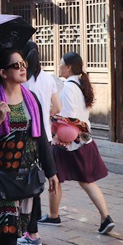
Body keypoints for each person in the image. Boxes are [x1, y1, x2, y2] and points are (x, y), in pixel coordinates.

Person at [0, 49, 58, 245]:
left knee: (16, 229)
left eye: (24, 64)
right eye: (16, 65)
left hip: (26, 175)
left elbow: (40, 137)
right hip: (0, 176)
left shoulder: (32, 99)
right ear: (3, 72)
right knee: (9, 230)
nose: (23, 68)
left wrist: (51, 171)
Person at [39, 51, 115, 235]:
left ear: (69, 67)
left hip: (67, 143)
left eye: (60, 63)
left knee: (54, 178)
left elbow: (68, 117)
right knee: (87, 181)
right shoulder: (81, 85)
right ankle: (106, 217)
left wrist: (52, 118)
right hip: (84, 141)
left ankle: (53, 215)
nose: (58, 67)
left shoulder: (68, 88)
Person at [16, 41, 62, 245]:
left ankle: (31, 232)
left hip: (27, 138)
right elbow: (58, 107)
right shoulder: (48, 78)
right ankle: (30, 230)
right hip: (44, 136)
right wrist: (45, 117)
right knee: (35, 183)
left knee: (28, 186)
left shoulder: (22, 81)